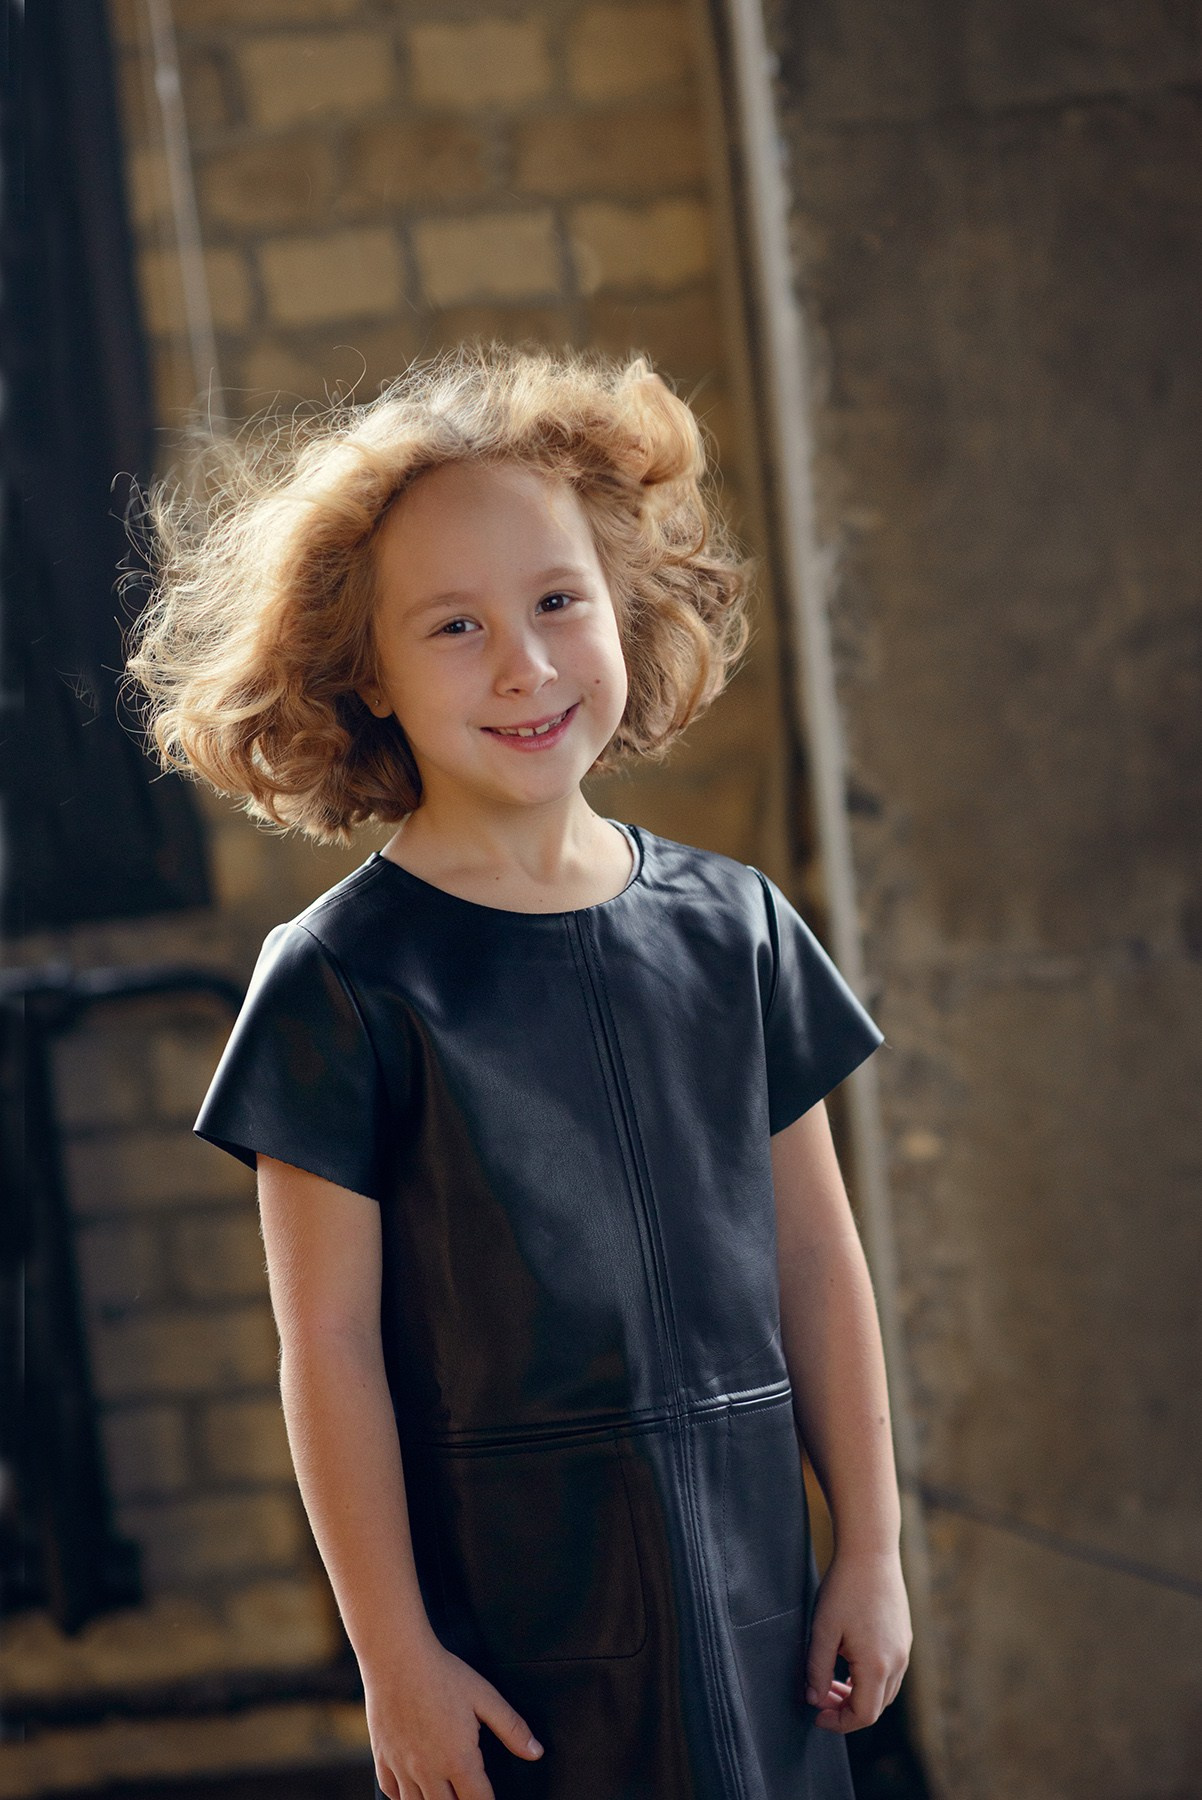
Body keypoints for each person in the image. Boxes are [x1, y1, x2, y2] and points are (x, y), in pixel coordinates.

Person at [125, 341, 912, 1800]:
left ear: (621, 600)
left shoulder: (733, 925)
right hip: (520, 1633)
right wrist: (395, 1658)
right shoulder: (339, 983)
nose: (526, 664)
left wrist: (866, 1542)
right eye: (452, 627)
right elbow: (331, 1353)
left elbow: (814, 1249)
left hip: (759, 1597)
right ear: (360, 670)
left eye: (558, 601)